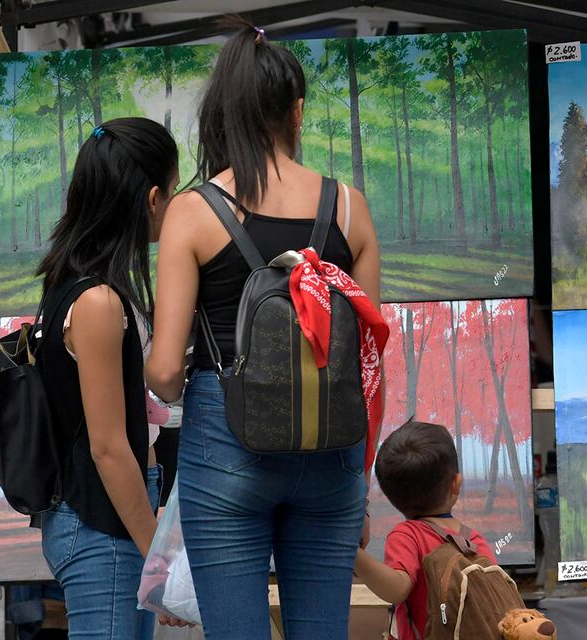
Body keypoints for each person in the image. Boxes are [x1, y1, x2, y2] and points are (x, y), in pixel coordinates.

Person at [145, 20, 381, 640]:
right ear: (297, 112)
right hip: (331, 452)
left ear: (224, 115)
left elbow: (166, 370)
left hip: (226, 448)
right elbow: (367, 360)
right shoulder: (350, 208)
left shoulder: (193, 212)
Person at [35, 118, 180, 639]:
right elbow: (108, 448)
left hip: (109, 518)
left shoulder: (79, 287)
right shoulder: (96, 301)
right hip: (100, 522)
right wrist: (156, 560)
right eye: (175, 190)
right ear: (152, 197)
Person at [354, 421, 497, 640]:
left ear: (390, 496)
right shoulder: (471, 538)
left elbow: (396, 588)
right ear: (456, 484)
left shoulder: (407, 535)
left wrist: (351, 554)